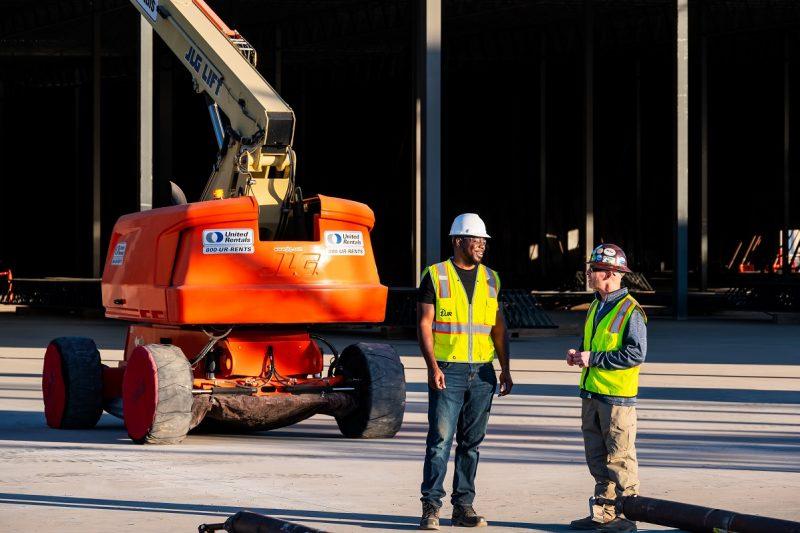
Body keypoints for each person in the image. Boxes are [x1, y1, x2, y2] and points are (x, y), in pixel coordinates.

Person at [417, 213, 513, 530]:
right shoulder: (435, 275)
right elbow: (425, 325)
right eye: (476, 239)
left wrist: (505, 369)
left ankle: (463, 508)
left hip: (483, 373)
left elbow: (499, 329)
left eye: (484, 240)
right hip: (448, 370)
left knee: (471, 444)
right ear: (458, 240)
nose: (482, 245)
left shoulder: (492, 279)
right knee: (440, 442)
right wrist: (432, 367)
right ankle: (431, 508)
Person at [567, 244, 647, 532]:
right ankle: (603, 514)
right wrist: (580, 355)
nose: (589, 274)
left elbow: (636, 354)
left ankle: (628, 517)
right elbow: (594, 345)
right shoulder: (596, 305)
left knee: (620, 459)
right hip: (592, 393)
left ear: (612, 274)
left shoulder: (630, 310)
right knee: (598, 459)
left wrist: (595, 359)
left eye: (595, 269)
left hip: (616, 398)